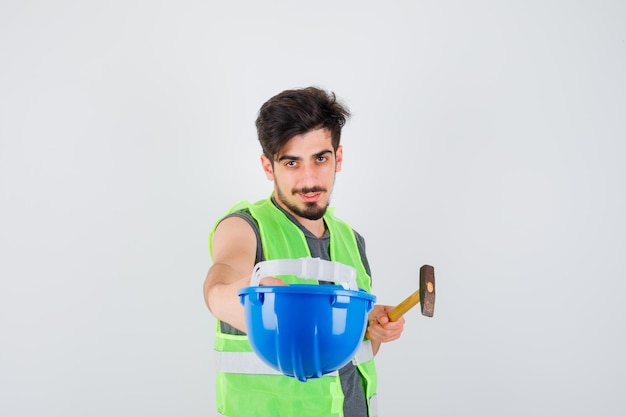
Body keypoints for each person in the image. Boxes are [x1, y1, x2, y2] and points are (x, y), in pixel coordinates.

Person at [203, 86, 405, 417]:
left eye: (320, 159)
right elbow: (218, 287)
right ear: (269, 167)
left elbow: (347, 360)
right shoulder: (244, 227)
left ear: (338, 158)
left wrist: (371, 330)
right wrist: (261, 301)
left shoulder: (352, 241)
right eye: (292, 162)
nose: (309, 179)